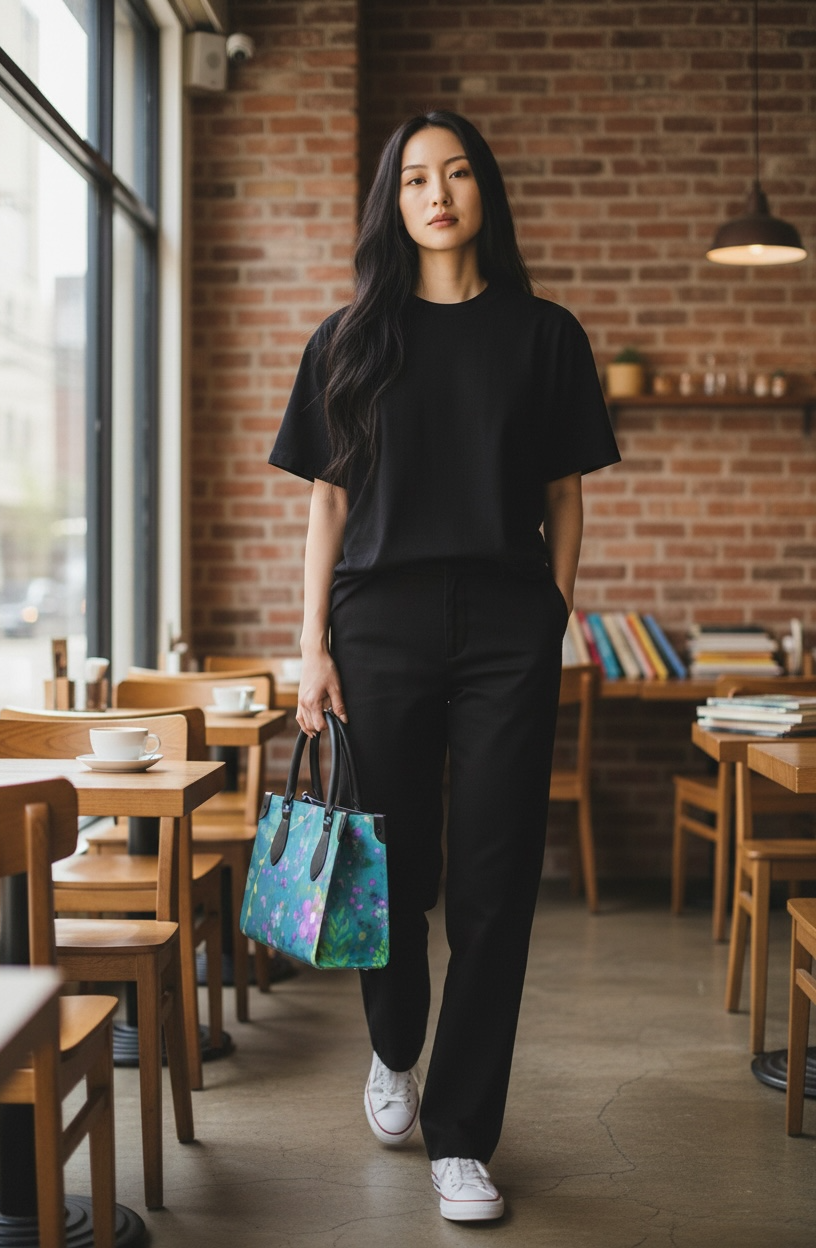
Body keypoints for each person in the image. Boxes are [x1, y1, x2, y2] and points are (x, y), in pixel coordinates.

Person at [268, 109, 620, 1223]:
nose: (437, 192)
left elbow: (566, 493)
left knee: (496, 885)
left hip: (507, 627)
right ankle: (391, 1051)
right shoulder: (348, 336)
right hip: (378, 625)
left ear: (482, 194)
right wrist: (309, 644)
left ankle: (461, 1138)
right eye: (416, 176)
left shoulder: (545, 334)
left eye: (458, 171)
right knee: (391, 869)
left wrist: (550, 610)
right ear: (393, 201)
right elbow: (327, 502)